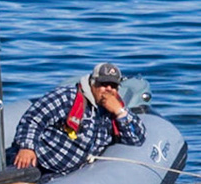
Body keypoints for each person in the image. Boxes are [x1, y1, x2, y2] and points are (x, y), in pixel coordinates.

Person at [9, 62, 146, 175]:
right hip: (40, 163)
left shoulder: (114, 109)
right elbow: (33, 119)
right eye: (103, 84)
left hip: (69, 176)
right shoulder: (66, 97)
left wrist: (120, 112)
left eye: (113, 86)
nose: (108, 89)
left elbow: (136, 139)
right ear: (93, 84)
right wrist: (27, 147)